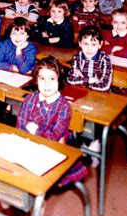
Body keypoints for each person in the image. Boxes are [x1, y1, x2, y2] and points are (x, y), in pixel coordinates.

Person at [17, 56, 88, 185]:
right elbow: (21, 124)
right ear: (36, 80)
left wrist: (35, 130)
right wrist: (27, 139)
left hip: (53, 147)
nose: (46, 84)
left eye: (52, 79)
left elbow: (53, 137)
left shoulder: (63, 106)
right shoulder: (30, 98)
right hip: (30, 144)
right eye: (42, 78)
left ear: (59, 81)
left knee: (34, 176)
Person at [67, 25, 112, 91]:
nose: (89, 48)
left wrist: (82, 80)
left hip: (100, 95)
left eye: (93, 44)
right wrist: (90, 80)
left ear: (100, 44)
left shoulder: (104, 59)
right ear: (80, 43)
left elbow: (104, 86)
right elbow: (70, 80)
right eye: (86, 44)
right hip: (81, 92)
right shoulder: (77, 57)